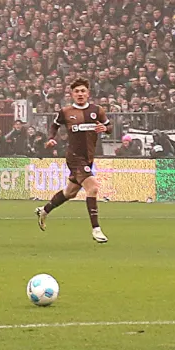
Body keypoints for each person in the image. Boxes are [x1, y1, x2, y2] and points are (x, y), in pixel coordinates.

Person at [35, 78, 111, 243]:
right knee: (93, 187)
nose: (80, 94)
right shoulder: (66, 112)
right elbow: (54, 125)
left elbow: (110, 127)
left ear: (88, 93)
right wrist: (50, 138)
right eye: (77, 91)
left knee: (70, 192)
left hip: (88, 158)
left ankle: (44, 210)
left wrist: (105, 128)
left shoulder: (97, 110)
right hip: (74, 157)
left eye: (83, 91)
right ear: (72, 94)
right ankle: (96, 229)